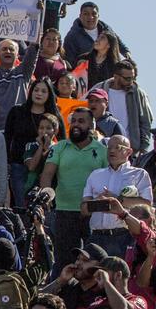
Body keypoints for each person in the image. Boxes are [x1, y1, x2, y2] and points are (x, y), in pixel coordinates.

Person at [39, 108, 108, 273]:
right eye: (74, 121)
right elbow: (47, 174)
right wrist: (46, 195)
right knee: (64, 261)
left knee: (94, 262)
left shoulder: (101, 150)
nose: (75, 125)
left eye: (81, 121)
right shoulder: (60, 147)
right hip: (64, 212)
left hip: (92, 214)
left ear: (91, 126)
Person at [81, 135, 152, 259]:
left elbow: (146, 205)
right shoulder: (95, 175)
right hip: (96, 236)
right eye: (109, 148)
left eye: (118, 147)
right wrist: (98, 201)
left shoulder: (139, 174)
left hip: (124, 236)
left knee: (120, 276)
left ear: (129, 152)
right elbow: (83, 210)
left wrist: (117, 199)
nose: (112, 151)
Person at [4, 78, 66, 208]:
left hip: (47, 168)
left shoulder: (55, 115)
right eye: (36, 90)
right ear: (30, 91)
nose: (39, 94)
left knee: (43, 205)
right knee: (21, 204)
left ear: (49, 94)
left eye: (44, 91)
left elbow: (62, 142)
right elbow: (7, 138)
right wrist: (7, 162)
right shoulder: (17, 111)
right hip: (19, 165)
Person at [90, 63, 153, 154]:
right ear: (116, 77)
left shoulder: (138, 93)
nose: (131, 81)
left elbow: (146, 122)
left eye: (133, 78)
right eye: (127, 78)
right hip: (102, 147)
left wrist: (143, 149)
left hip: (129, 151)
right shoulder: (100, 88)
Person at [63, 3, 131, 67]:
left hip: (110, 70)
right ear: (80, 16)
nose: (90, 17)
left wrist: (126, 53)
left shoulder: (106, 29)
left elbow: (117, 42)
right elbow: (69, 61)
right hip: (87, 75)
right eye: (86, 14)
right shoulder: (72, 37)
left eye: (94, 14)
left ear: (98, 16)